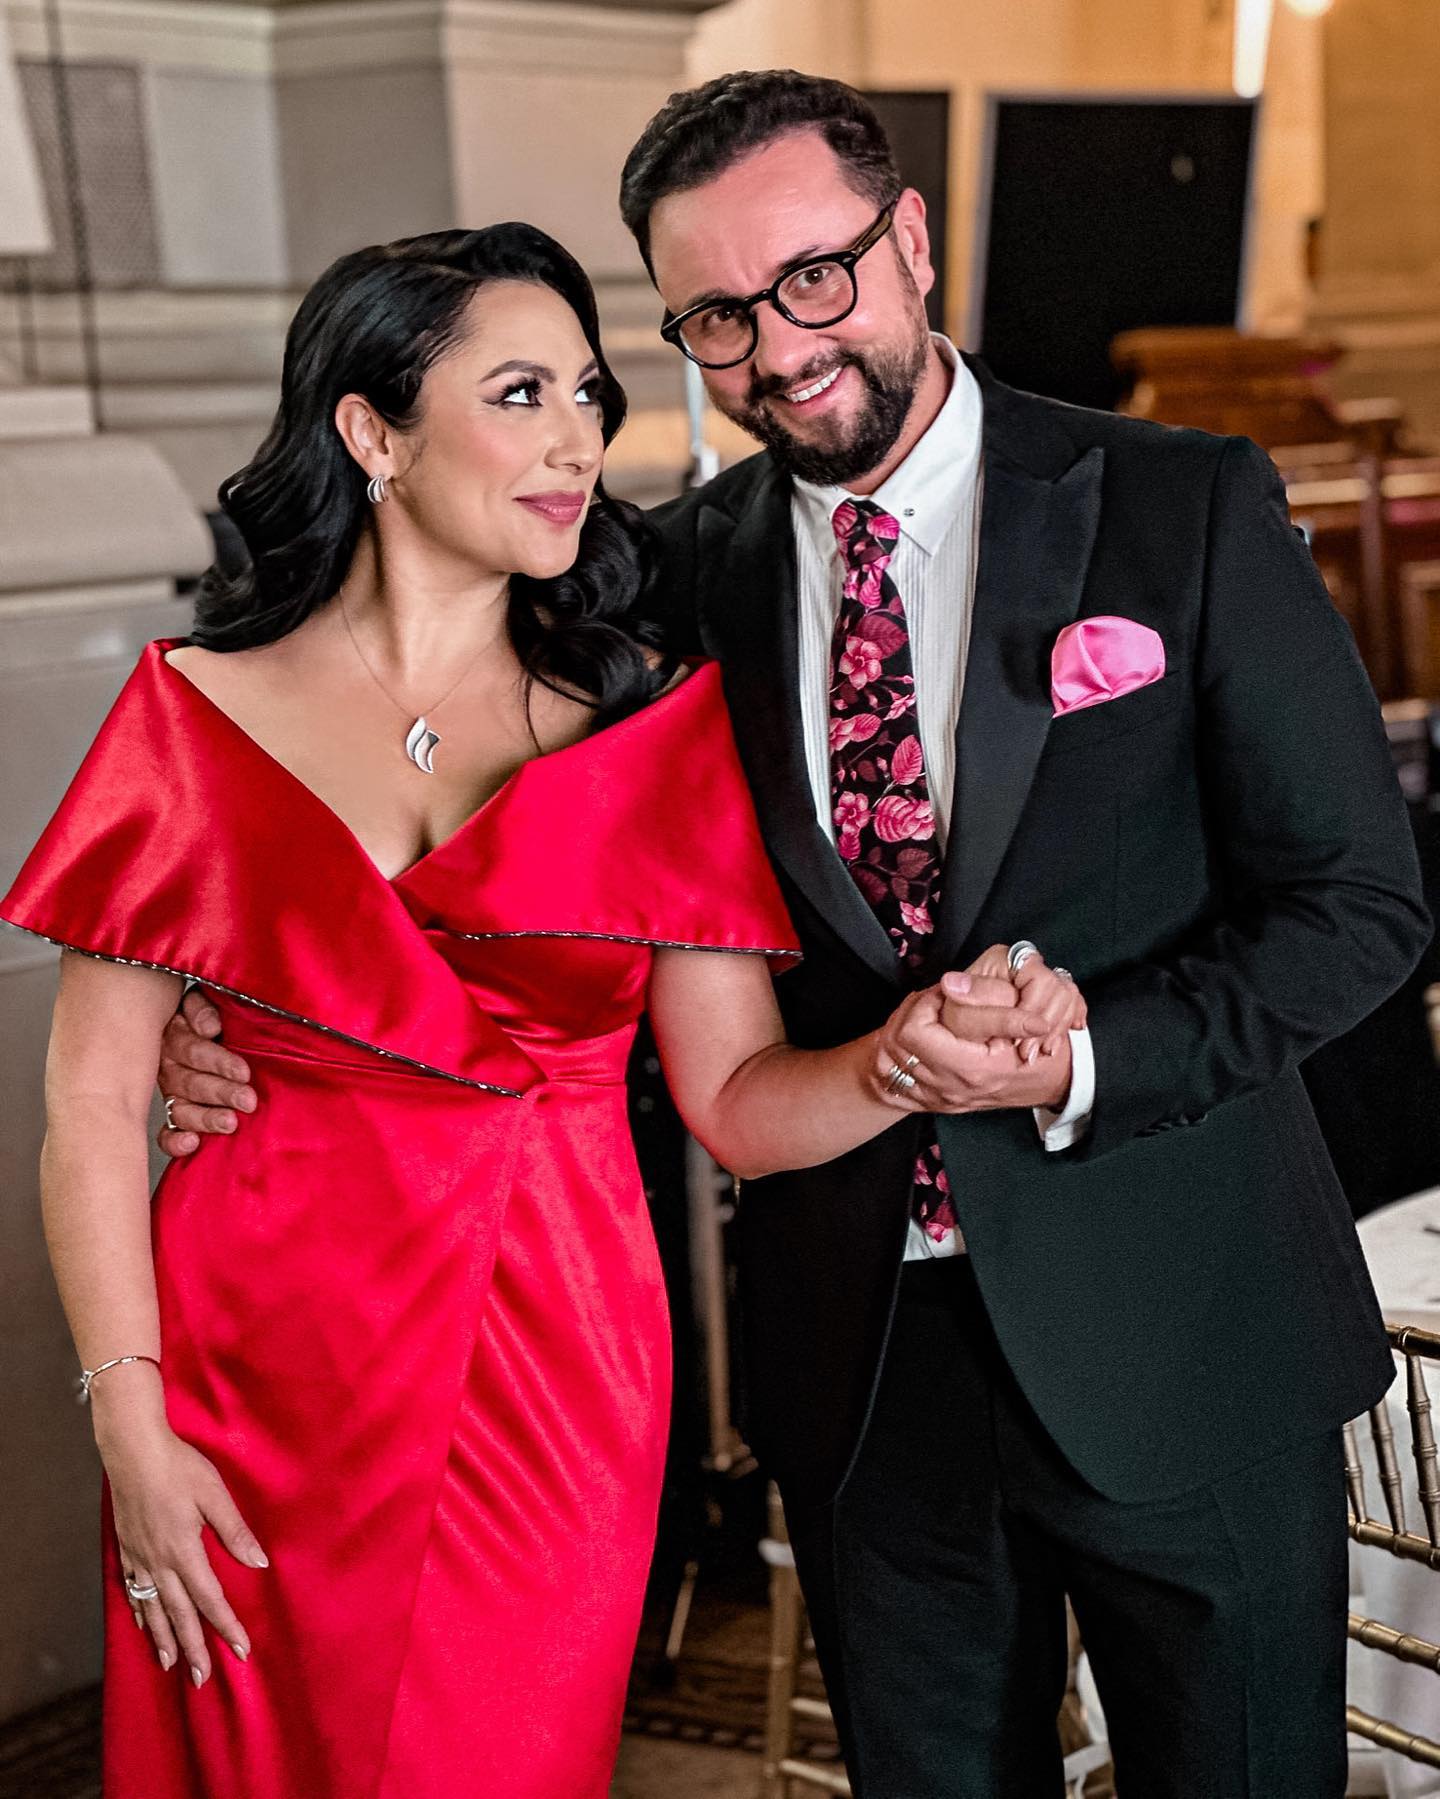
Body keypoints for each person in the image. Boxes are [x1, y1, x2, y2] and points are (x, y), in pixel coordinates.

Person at [155, 73, 1430, 1797]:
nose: (779, 349)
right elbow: (459, 841)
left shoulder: (1178, 505)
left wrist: (1091, 1054)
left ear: (909, 242)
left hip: (1186, 1322)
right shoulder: (658, 590)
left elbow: (1360, 908)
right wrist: (243, 1031)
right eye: (718, 319)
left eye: (814, 279)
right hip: (863, 1366)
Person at [2, 221, 1083, 1799]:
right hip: (241, 1374)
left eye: (589, 394)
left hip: (550, 1365)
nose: (580, 439)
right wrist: (132, 1425)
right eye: (522, 394)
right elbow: (92, 1105)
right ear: (372, 432)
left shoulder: (645, 732)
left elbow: (735, 1106)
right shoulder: (190, 716)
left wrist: (900, 1068)